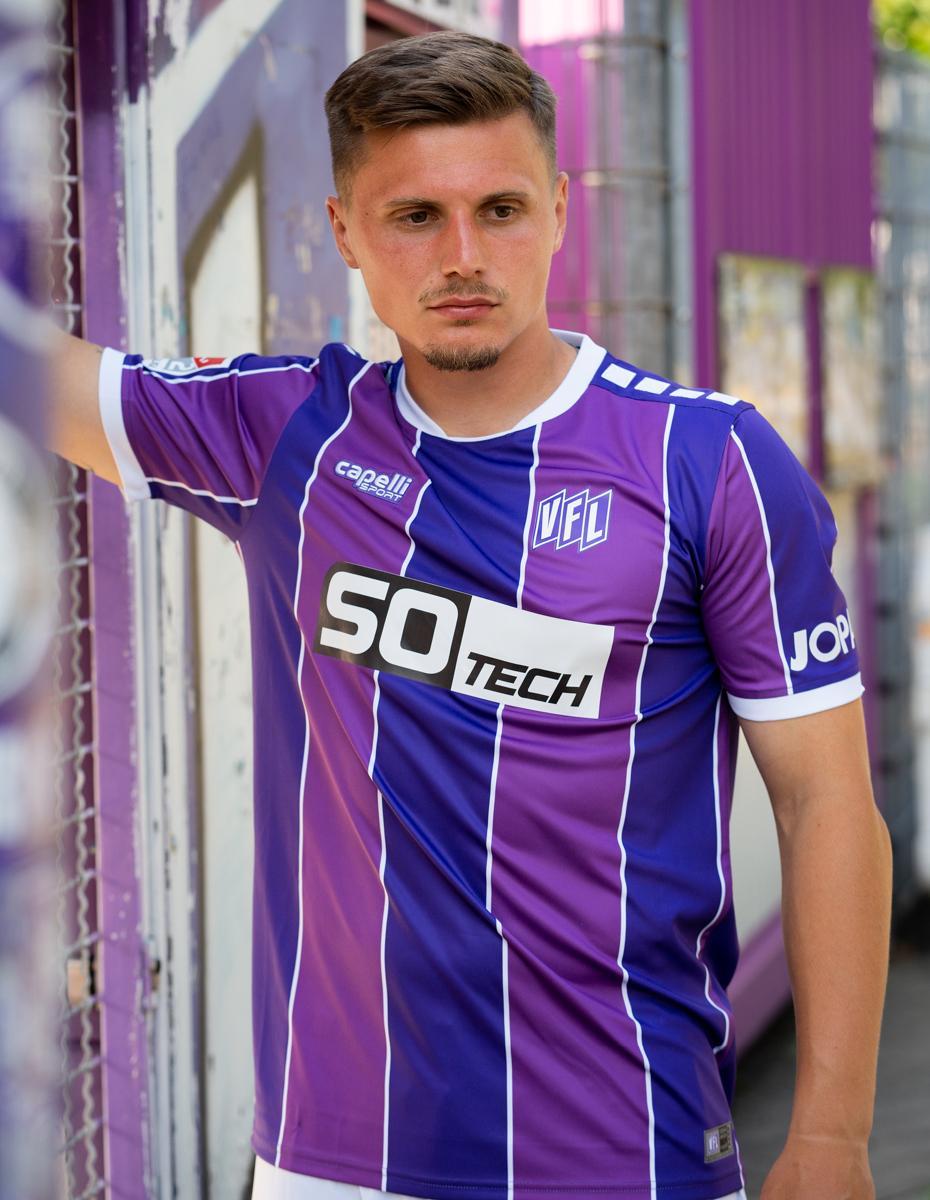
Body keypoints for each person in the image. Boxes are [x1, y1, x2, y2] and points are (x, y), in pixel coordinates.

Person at [50, 31, 891, 1200]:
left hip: (625, 1148)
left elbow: (825, 802)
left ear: (558, 211)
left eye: (500, 210)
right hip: (331, 1163)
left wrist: (834, 1136)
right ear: (345, 230)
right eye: (414, 217)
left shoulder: (709, 462)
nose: (463, 257)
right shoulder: (287, 434)